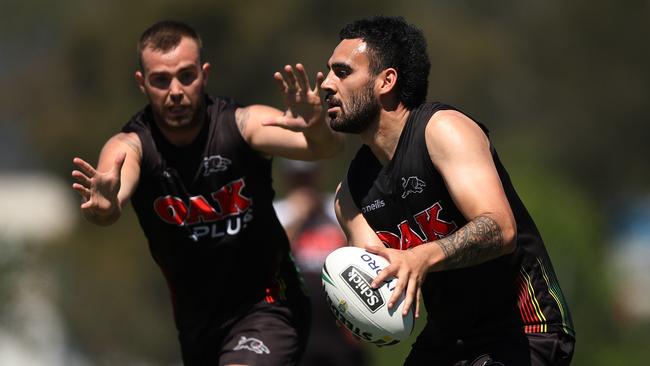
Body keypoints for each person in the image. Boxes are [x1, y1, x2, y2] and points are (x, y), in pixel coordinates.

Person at [71, 20, 343, 366]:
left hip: (270, 305)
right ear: (142, 84)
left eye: (186, 75)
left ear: (204, 74)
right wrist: (104, 205)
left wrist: (316, 123)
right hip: (198, 327)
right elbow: (110, 199)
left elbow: (323, 149)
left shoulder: (242, 125)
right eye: (160, 80)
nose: (175, 91)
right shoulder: (132, 146)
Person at [323, 16, 575, 365]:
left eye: (342, 71)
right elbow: (377, 283)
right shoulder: (349, 195)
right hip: (447, 339)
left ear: (386, 81)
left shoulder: (442, 130)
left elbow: (501, 228)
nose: (326, 83)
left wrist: (420, 256)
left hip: (523, 329)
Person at [273, 160, 369, 366]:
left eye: (309, 176)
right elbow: (269, 259)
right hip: (294, 326)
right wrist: (298, 217)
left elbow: (360, 255)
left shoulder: (336, 208)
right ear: (287, 178)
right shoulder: (277, 212)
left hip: (339, 328)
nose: (304, 184)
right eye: (298, 178)